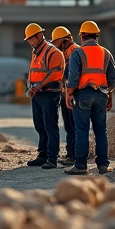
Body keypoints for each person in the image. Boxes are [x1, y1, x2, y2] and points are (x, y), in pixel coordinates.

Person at [63, 21, 115, 175]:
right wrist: (108, 94)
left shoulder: (78, 53)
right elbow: (113, 79)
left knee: (82, 131)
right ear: (97, 35)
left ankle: (80, 165)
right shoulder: (106, 53)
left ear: (81, 36)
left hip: (83, 95)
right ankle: (103, 165)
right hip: (101, 94)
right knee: (101, 131)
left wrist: (68, 95)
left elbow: (73, 79)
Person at [24, 23, 64, 170]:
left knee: (50, 126)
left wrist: (38, 86)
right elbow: (34, 71)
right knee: (40, 126)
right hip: (37, 94)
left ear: (39, 36)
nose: (30, 42)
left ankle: (52, 158)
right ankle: (42, 155)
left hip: (50, 94)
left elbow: (55, 73)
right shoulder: (36, 52)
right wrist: (31, 86)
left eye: (31, 38)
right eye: (28, 39)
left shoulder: (52, 52)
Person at [50, 26, 78, 167]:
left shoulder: (74, 52)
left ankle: (74, 155)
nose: (55, 46)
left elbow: (71, 77)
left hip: (73, 95)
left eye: (56, 43)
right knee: (69, 126)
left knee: (73, 126)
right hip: (67, 93)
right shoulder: (66, 53)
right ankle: (71, 153)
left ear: (63, 40)